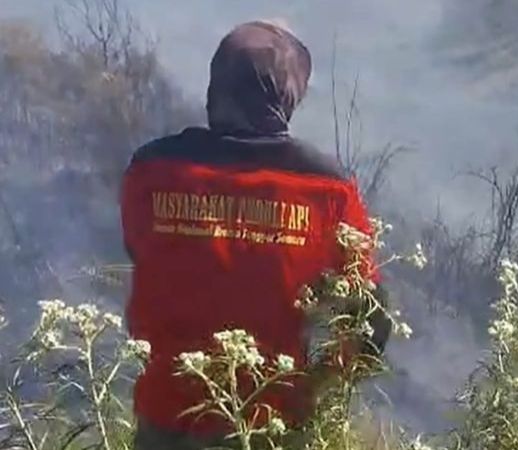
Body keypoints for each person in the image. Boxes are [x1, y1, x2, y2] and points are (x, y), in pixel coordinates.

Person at [119, 20, 390, 449]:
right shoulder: (328, 190)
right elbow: (371, 318)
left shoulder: (150, 170)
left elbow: (141, 252)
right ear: (286, 97)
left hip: (165, 421)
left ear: (215, 90)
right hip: (271, 424)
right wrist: (320, 383)